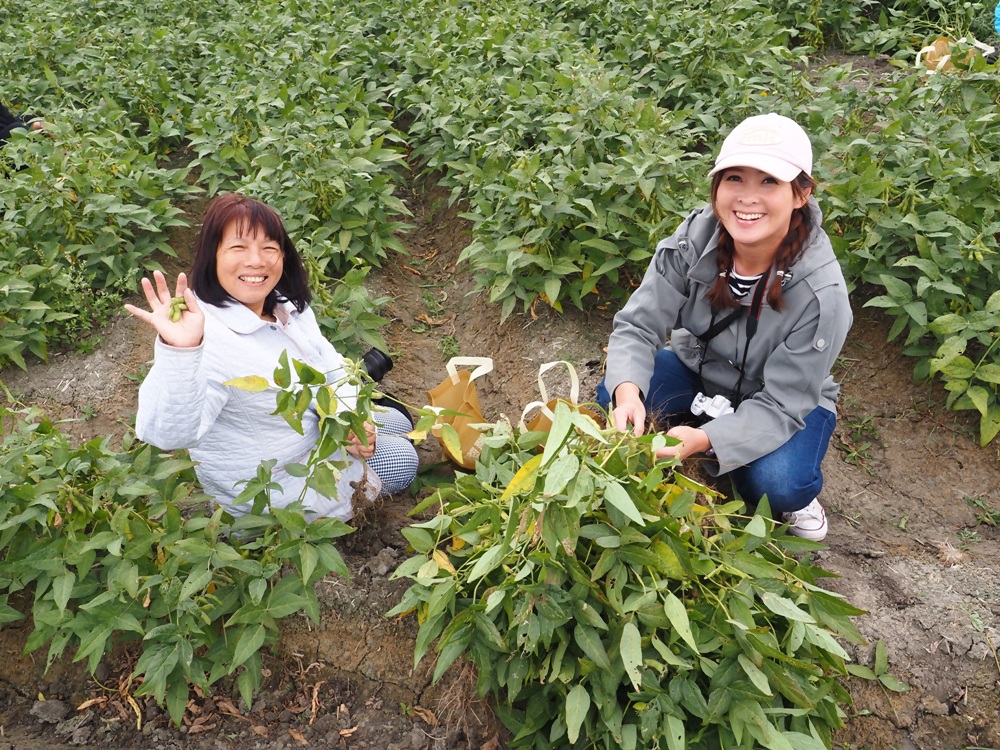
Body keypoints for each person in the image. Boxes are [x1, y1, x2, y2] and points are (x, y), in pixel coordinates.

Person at [598, 113, 852, 541]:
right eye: (735, 178)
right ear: (717, 187)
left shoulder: (821, 292)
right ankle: (701, 432)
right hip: (699, 369)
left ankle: (765, 474)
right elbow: (638, 326)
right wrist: (627, 393)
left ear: (801, 193)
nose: (747, 198)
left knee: (777, 486)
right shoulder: (693, 238)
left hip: (779, 402)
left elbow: (784, 403)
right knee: (615, 392)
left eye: (769, 181)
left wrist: (702, 441)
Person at [126, 194, 418, 522]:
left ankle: (358, 445)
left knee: (397, 420)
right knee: (402, 458)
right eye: (238, 247)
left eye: (269, 247)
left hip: (312, 436)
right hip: (276, 486)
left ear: (283, 254)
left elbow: (330, 365)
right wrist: (181, 351)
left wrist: (350, 422)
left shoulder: (283, 305)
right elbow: (167, 434)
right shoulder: (204, 335)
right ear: (213, 256)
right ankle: (257, 527)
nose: (257, 261)